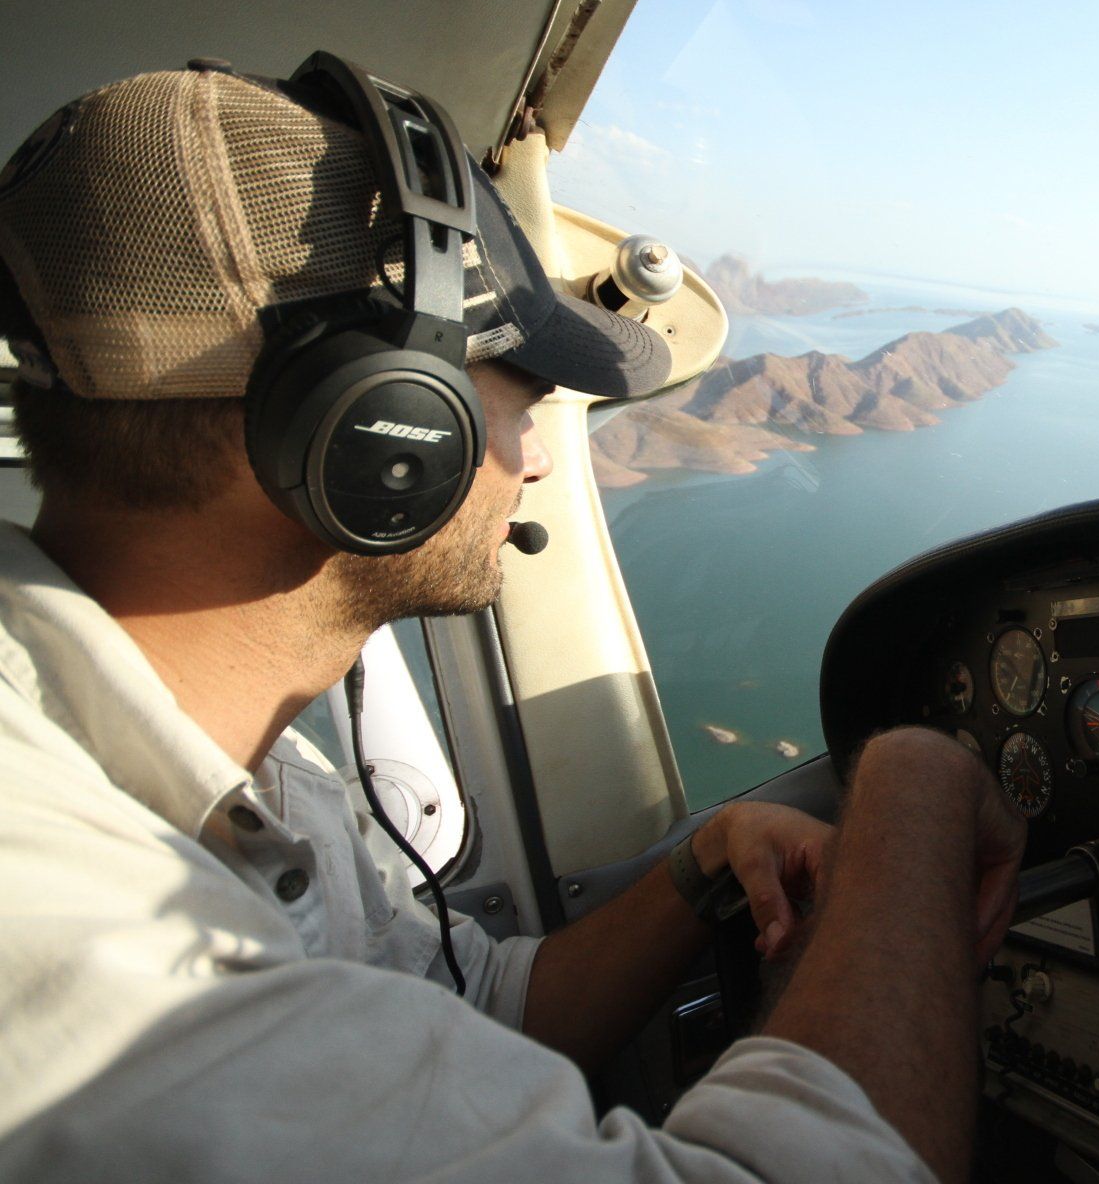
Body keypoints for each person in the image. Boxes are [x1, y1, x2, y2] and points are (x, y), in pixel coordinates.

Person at [0, 59, 1025, 1183]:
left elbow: (476, 1002)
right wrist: (919, 781)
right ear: (376, 433)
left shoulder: (252, 774)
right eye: (521, 400)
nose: (537, 459)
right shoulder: (88, 939)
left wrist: (702, 865)